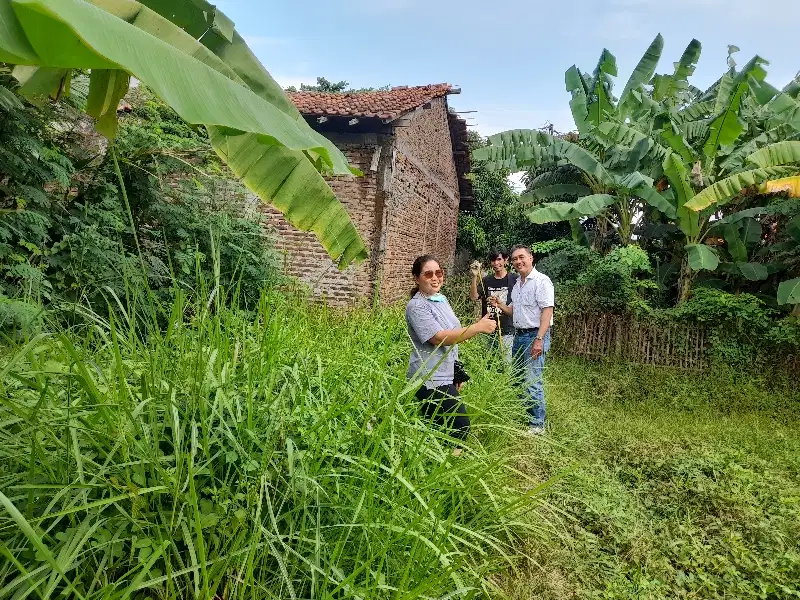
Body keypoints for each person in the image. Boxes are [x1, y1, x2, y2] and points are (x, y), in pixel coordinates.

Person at [405, 255, 497, 452]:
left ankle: (431, 466)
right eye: (428, 274)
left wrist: (456, 371)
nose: (435, 278)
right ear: (416, 278)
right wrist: (477, 327)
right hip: (428, 377)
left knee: (436, 429)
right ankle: (446, 472)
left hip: (444, 374)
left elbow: (452, 335)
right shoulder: (417, 306)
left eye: (438, 273)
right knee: (460, 428)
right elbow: (439, 338)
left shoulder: (441, 299)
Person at [488, 245, 554, 434]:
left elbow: (547, 311)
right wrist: (500, 304)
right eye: (515, 259)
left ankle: (537, 425)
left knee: (533, 379)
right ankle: (525, 414)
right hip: (519, 335)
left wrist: (539, 339)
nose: (518, 262)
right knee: (517, 378)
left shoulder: (541, 281)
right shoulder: (517, 284)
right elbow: (513, 311)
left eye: (522, 257)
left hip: (535, 335)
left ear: (531, 258)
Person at [469, 248, 518, 365]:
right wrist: (475, 276)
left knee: (506, 363)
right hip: (487, 328)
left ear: (506, 260)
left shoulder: (514, 279)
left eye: (499, 259)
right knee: (488, 362)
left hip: (507, 328)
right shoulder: (486, 280)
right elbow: (474, 297)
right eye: (493, 260)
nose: (496, 263)